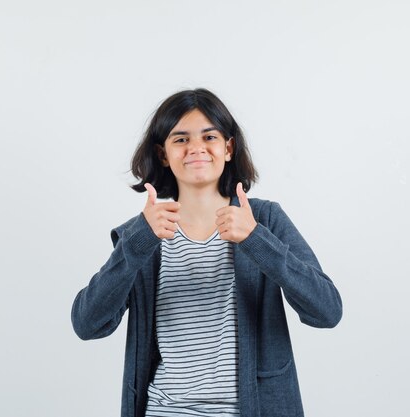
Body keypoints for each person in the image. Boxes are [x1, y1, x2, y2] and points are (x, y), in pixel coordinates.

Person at [71, 88, 343, 417]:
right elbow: (87, 324)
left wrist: (256, 239)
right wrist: (139, 240)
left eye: (209, 136)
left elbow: (326, 310)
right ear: (163, 154)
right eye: (181, 139)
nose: (196, 148)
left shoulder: (264, 220)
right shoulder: (143, 232)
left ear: (228, 148)